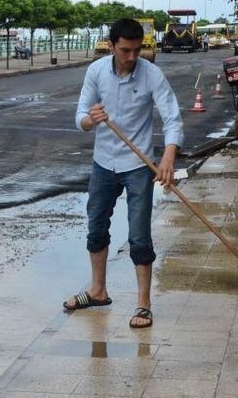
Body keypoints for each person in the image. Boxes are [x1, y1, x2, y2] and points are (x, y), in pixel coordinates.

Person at [65, 18, 183, 329]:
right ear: (111, 46)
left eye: (137, 50)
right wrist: (91, 119)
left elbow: (172, 117)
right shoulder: (97, 71)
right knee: (96, 227)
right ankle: (98, 291)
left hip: (139, 165)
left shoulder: (151, 74)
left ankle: (143, 304)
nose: (132, 57)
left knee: (139, 236)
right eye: (125, 50)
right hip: (103, 162)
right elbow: (80, 116)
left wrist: (169, 155)